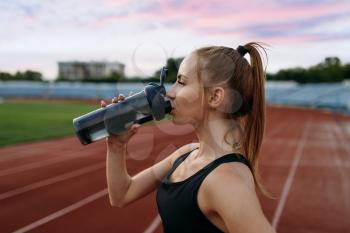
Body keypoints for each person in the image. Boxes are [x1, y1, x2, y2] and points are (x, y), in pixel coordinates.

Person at [101, 42, 276, 233]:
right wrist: (116, 146)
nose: (170, 92)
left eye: (181, 82)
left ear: (215, 97)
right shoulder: (186, 154)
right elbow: (122, 195)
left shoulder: (224, 180)